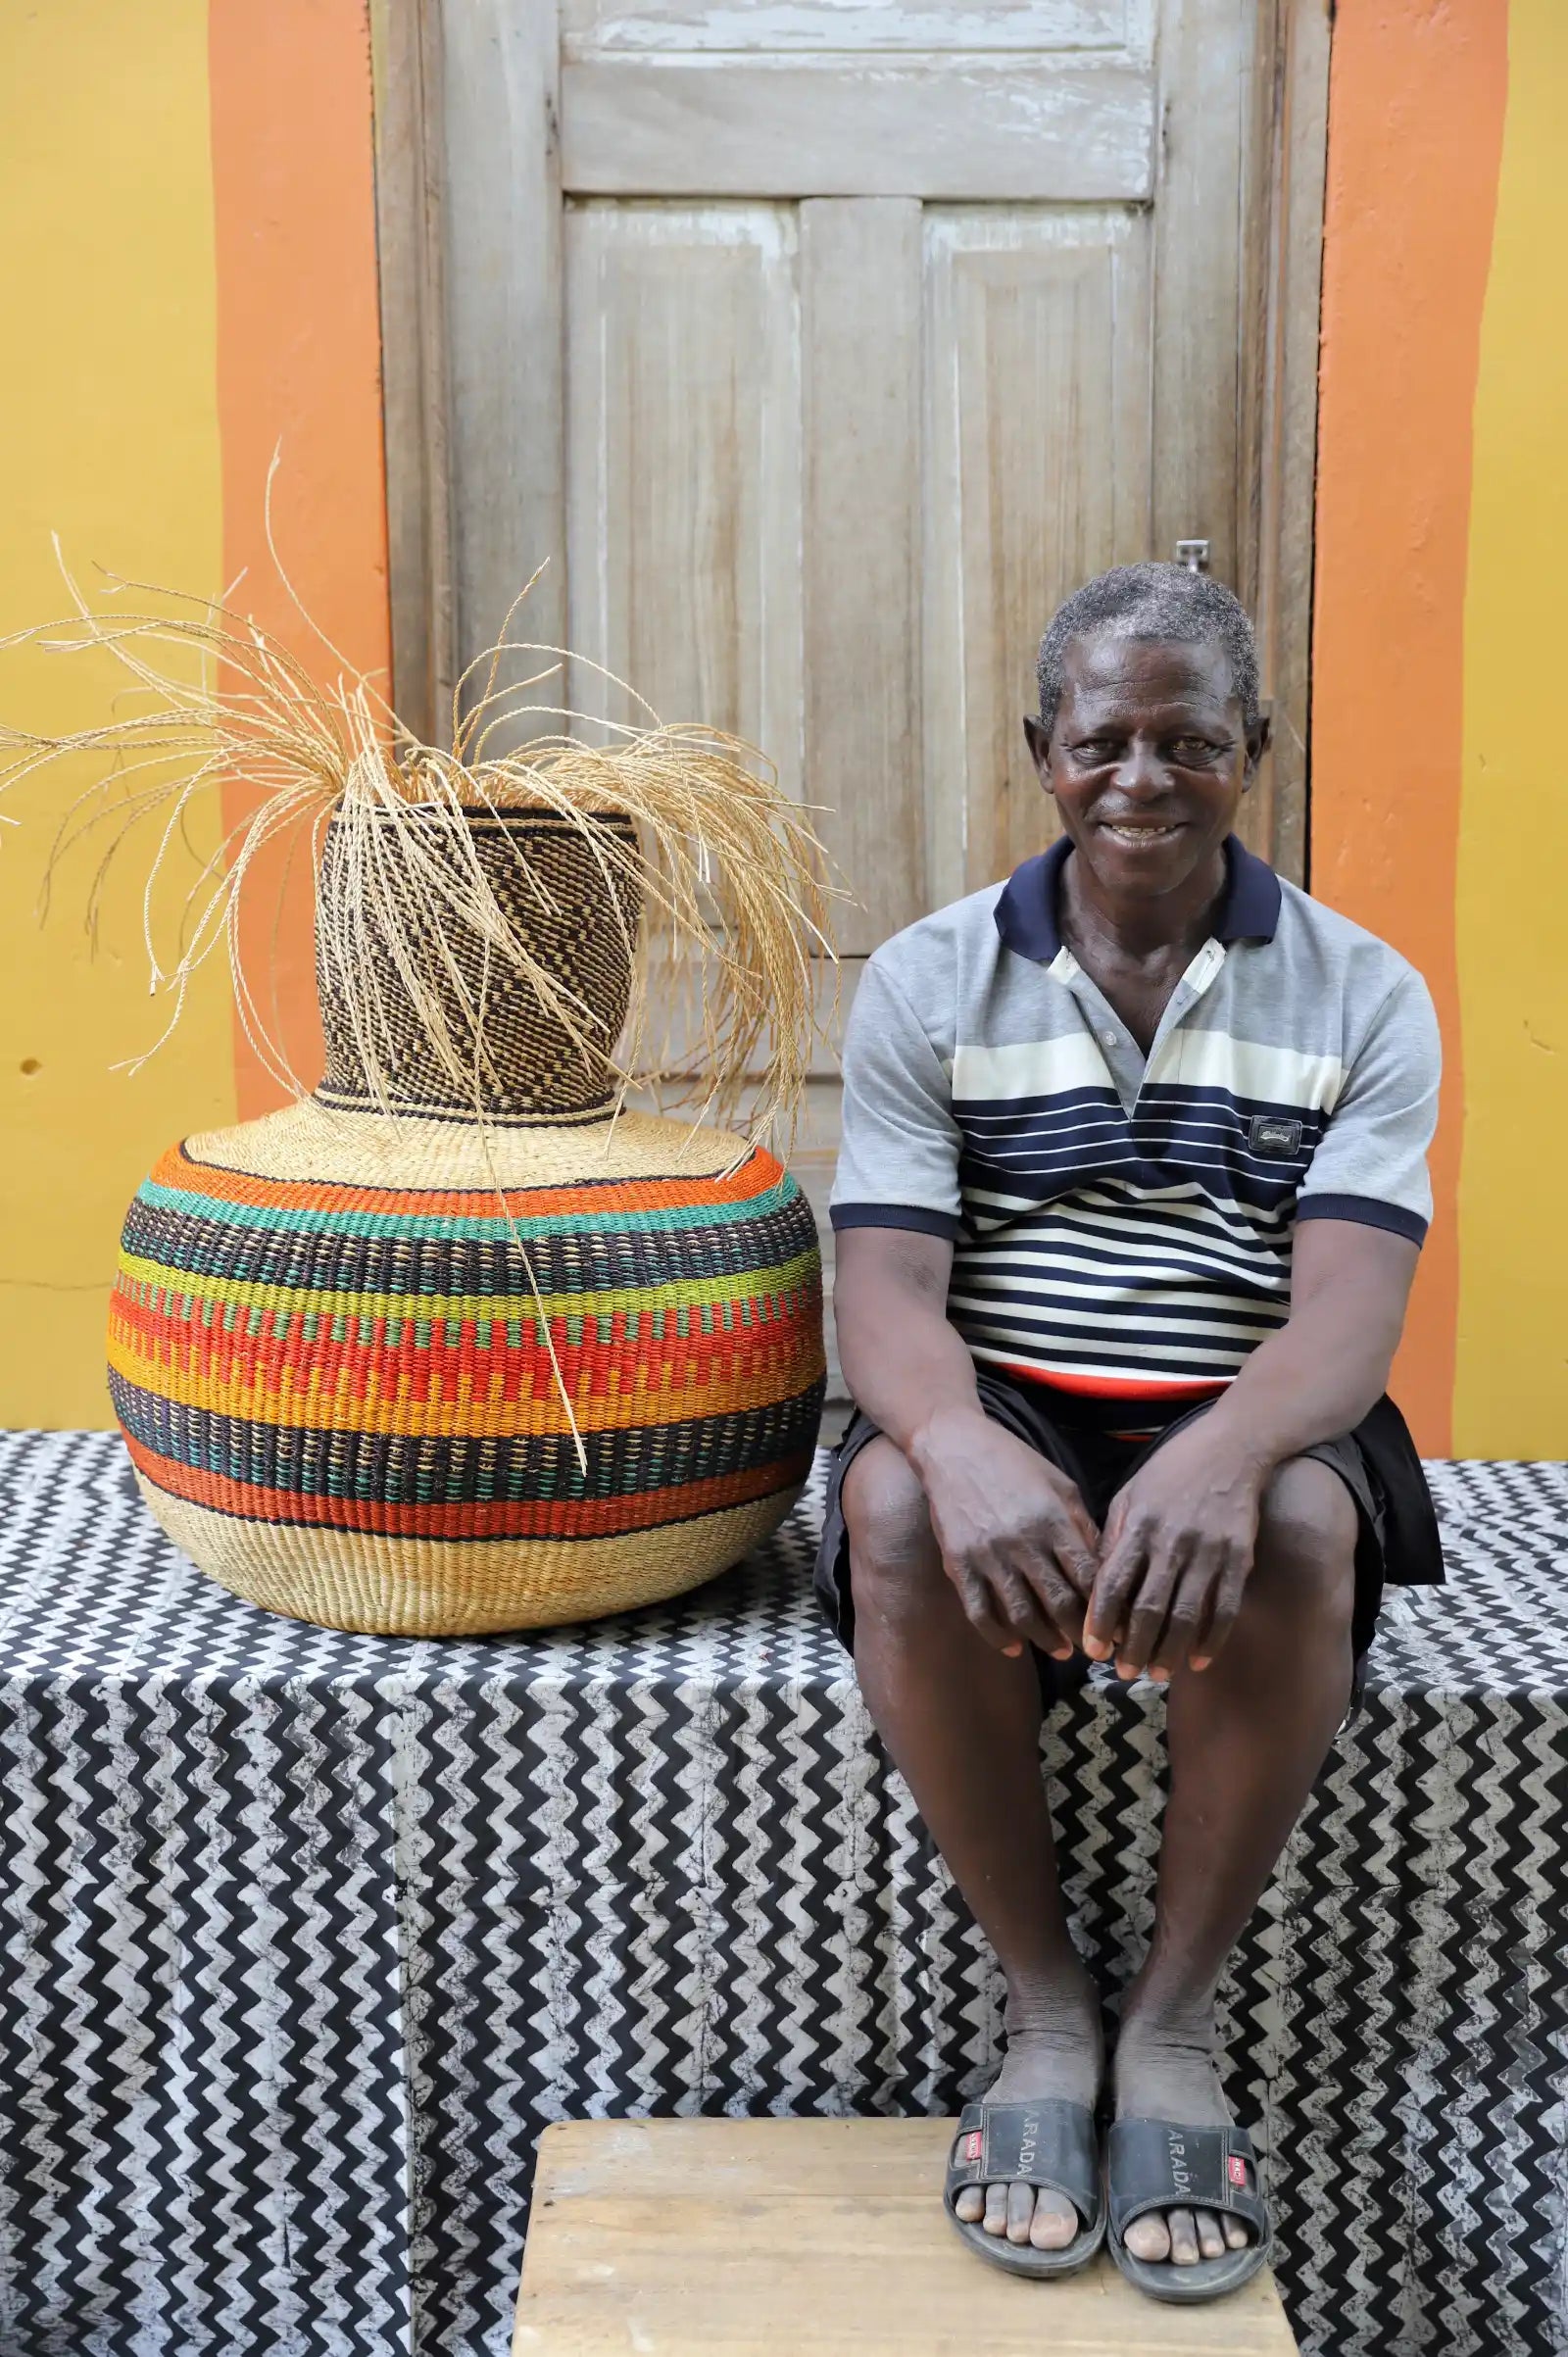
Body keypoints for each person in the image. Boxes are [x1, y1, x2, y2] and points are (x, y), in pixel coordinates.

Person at [817, 563, 1445, 2304]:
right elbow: (881, 1297)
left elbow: (1346, 1316)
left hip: (1249, 1396)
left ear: (1257, 745)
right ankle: (1043, 2010)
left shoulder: (1363, 992)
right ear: (1044, 750)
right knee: (886, 1507)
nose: (1144, 777)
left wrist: (1231, 1455)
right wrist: (952, 1439)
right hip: (1014, 1397)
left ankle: (1170, 2032)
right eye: (1106, 738)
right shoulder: (933, 978)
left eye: (1190, 739)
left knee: (1310, 1530)